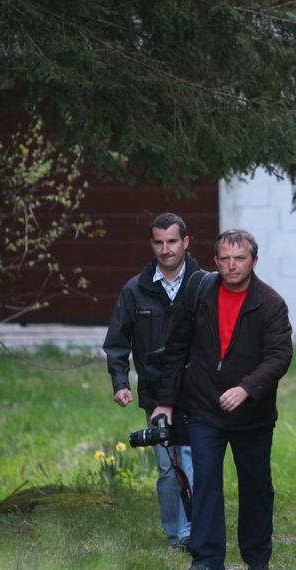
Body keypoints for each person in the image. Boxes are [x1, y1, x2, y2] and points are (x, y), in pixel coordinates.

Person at [152, 229, 292, 570]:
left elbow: (279, 356)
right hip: (204, 406)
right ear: (215, 261)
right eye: (225, 259)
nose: (232, 266)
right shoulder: (198, 292)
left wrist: (246, 388)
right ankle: (206, 562)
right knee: (206, 481)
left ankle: (257, 559)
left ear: (254, 261)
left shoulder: (271, 304)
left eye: (240, 258)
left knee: (256, 486)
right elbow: (176, 348)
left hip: (253, 414)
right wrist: (165, 403)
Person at [103, 212, 199, 551]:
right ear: (152, 244)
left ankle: (192, 532)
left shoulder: (203, 285)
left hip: (196, 391)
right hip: (156, 393)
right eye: (159, 242)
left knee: (192, 461)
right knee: (167, 468)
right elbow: (117, 341)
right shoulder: (136, 290)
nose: (165, 249)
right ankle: (176, 535)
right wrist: (120, 382)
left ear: (185, 242)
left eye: (172, 241)